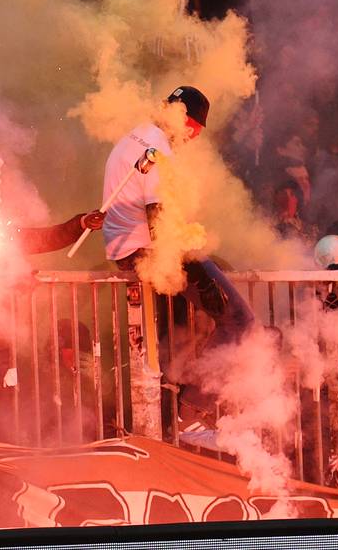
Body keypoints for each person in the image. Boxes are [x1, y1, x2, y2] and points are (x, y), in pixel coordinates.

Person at [102, 85, 255, 444]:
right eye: (195, 132)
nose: (192, 139)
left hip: (128, 247)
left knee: (184, 329)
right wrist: (177, 262)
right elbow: (158, 214)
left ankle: (182, 410)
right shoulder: (157, 149)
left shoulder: (133, 137)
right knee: (241, 320)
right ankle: (191, 416)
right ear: (186, 120)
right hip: (147, 250)